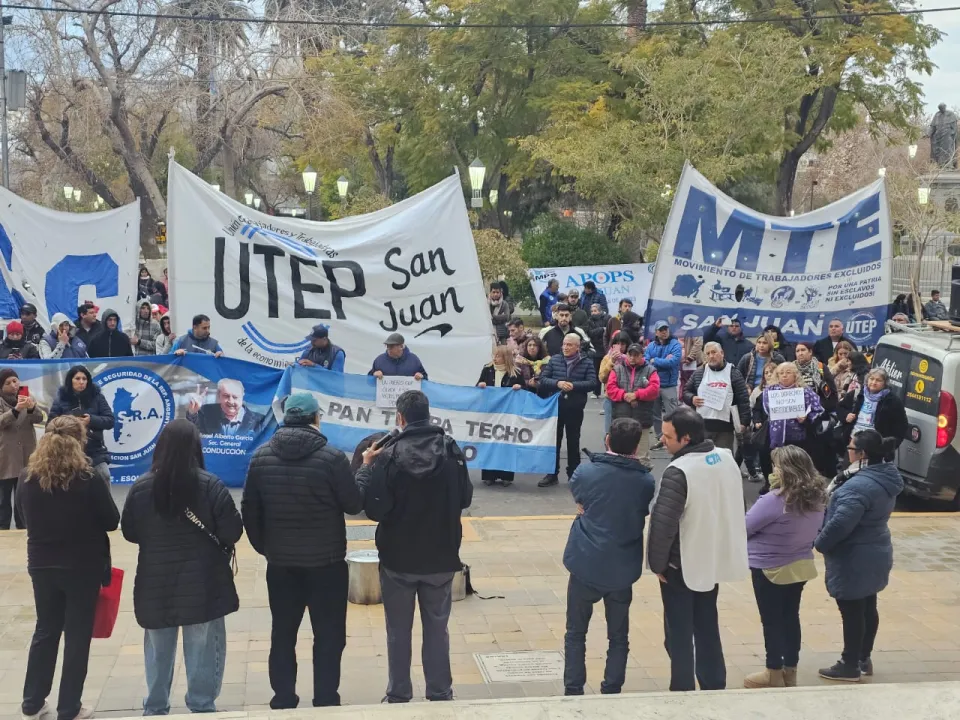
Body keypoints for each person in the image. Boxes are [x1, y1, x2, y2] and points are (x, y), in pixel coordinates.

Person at [242, 393, 362, 708]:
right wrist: (363, 470)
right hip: (328, 564)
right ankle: (325, 697)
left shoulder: (261, 456)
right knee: (329, 635)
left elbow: (250, 512)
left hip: (281, 564)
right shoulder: (332, 457)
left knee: (282, 632)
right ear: (315, 419)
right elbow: (353, 504)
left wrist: (267, 549)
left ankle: (283, 697)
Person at [355, 390, 473, 704]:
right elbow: (465, 498)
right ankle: (439, 691)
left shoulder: (388, 454)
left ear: (401, 418)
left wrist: (367, 466)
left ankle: (398, 693)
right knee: (437, 627)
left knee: (398, 629)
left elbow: (375, 510)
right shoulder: (450, 450)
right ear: (428, 414)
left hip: (398, 557)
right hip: (441, 555)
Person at [121, 420, 242, 716]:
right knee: (202, 646)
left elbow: (130, 532)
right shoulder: (210, 484)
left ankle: (156, 706)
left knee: (158, 648)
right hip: (203, 581)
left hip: (155, 581)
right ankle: (201, 706)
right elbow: (232, 531)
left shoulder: (141, 486)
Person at [17, 416, 119, 720]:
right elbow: (112, 521)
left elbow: (23, 518)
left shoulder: (27, 477)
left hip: (42, 564)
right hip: (81, 566)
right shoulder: (87, 478)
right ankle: (69, 707)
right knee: (76, 635)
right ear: (80, 441)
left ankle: (32, 702)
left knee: (46, 630)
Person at [647, 407, 749, 692]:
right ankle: (714, 684)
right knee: (707, 626)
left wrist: (658, 566)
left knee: (678, 632)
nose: (661, 440)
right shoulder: (725, 458)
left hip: (682, 565)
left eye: (667, 436)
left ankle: (681, 689)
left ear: (686, 438)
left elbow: (663, 524)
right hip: (712, 558)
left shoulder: (679, 471)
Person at [562, 418, 656, 696]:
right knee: (618, 635)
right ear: (637, 446)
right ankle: (612, 687)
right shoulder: (644, 480)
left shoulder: (586, 472)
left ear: (607, 441)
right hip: (622, 565)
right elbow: (642, 509)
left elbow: (579, 498)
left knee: (575, 632)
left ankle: (573, 688)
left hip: (585, 560)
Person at [815, 429, 903, 682]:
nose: (848, 452)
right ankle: (864, 657)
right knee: (867, 605)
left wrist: (820, 542)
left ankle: (849, 663)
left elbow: (841, 524)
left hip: (855, 555)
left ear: (862, 454)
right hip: (875, 549)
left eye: (851, 449)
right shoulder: (885, 477)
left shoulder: (857, 487)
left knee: (852, 610)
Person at [743, 445, 826, 689]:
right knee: (791, 618)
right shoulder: (817, 497)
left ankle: (773, 672)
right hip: (799, 565)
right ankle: (791, 671)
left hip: (769, 568)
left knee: (771, 621)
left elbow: (744, 528)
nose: (774, 470)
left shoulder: (774, 500)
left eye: (777, 466)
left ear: (786, 470)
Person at [538, 333, 597, 487]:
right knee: (554, 442)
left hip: (575, 407)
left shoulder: (586, 362)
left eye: (569, 345)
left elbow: (592, 383)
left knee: (573, 441)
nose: (565, 347)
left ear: (577, 347)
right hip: (555, 407)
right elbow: (543, 379)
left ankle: (573, 474)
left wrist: (574, 386)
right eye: (564, 344)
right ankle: (552, 474)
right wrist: (557, 383)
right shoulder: (555, 359)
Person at [754, 363, 824, 486]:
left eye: (788, 372)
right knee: (776, 465)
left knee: (796, 466)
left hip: (799, 438)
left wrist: (806, 418)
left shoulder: (805, 391)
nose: (784, 376)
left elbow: (818, 410)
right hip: (775, 437)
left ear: (795, 374)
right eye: (781, 373)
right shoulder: (769, 392)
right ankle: (775, 487)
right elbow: (762, 409)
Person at [683, 341, 751, 452]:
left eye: (714, 352)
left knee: (723, 459)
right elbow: (686, 391)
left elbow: (743, 399)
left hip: (725, 428)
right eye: (708, 353)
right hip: (703, 426)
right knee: (702, 459)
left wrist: (744, 422)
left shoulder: (733, 373)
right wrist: (692, 398)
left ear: (722, 353)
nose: (711, 356)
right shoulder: (699, 373)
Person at [476, 346, 528, 487]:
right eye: (494, 355)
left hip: (508, 413)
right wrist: (480, 385)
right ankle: (489, 475)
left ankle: (506, 475)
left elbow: (525, 391)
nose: (495, 358)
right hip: (490, 412)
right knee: (490, 442)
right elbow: (478, 388)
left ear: (505, 358)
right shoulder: (487, 369)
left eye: (498, 356)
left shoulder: (515, 372)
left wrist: (519, 388)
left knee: (506, 443)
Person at [0, 369, 43, 529]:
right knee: (3, 499)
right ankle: (2, 530)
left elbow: (39, 419)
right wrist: (16, 410)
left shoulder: (27, 397)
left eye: (15, 381)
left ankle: (23, 528)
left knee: (24, 498)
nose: (13, 385)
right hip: (5, 457)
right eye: (8, 383)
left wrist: (31, 408)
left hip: (26, 455)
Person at [605, 344, 659, 467]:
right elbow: (610, 389)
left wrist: (637, 395)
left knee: (642, 459)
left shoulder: (651, 370)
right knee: (619, 456)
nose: (632, 357)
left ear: (642, 356)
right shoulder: (617, 369)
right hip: (621, 420)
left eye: (636, 355)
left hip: (642, 420)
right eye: (630, 354)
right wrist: (625, 395)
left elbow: (654, 390)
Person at [840, 368, 907, 458]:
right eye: (871, 379)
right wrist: (846, 416)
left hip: (876, 449)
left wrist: (889, 446)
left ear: (885, 383)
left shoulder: (892, 401)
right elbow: (840, 407)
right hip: (854, 444)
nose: (874, 382)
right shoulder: (857, 394)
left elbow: (901, 426)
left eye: (878, 380)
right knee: (849, 470)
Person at [645, 320, 683, 450]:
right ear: (656, 332)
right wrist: (661, 361)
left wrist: (654, 360)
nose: (664, 331)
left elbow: (672, 362)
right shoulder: (650, 346)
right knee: (655, 414)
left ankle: (674, 438)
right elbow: (645, 362)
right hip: (654, 384)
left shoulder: (675, 344)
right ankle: (660, 438)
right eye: (661, 330)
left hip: (669, 385)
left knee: (672, 414)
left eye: (666, 329)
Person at [187, 378, 265, 436]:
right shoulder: (205, 412)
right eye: (226, 396)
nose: (231, 401)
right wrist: (193, 413)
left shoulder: (259, 421)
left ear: (242, 397)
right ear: (219, 396)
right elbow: (190, 435)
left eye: (235, 397)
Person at [743, 361, 780, 484]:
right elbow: (757, 409)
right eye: (766, 373)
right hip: (766, 429)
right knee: (764, 456)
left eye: (772, 372)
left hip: (782, 431)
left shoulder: (786, 390)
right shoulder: (764, 393)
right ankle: (768, 483)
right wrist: (757, 420)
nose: (769, 375)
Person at [598, 332, 631, 434]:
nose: (620, 347)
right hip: (610, 398)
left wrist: (626, 359)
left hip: (626, 397)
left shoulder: (631, 359)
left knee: (625, 429)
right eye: (617, 344)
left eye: (623, 344)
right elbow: (602, 378)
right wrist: (611, 362)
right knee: (609, 428)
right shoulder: (607, 358)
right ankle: (609, 448)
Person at [586, 304, 610, 391]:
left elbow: (608, 330)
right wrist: (601, 329)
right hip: (595, 348)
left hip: (606, 348)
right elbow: (590, 333)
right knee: (596, 370)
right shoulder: (589, 321)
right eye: (592, 311)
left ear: (600, 311)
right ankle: (596, 391)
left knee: (607, 370)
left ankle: (608, 389)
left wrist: (603, 330)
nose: (593, 313)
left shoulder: (607, 318)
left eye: (595, 311)